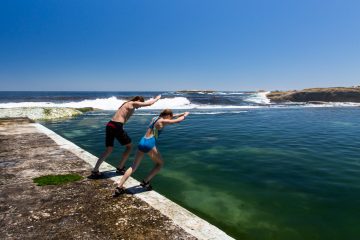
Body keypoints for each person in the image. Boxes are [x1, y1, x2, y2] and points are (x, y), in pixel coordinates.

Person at [113, 109, 190, 196]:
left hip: (142, 141)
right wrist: (185, 115)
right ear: (167, 115)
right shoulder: (163, 121)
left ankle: (119, 187)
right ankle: (145, 181)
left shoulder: (155, 118)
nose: (171, 117)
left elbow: (172, 117)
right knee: (160, 164)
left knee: (133, 166)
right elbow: (177, 121)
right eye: (170, 116)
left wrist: (180, 113)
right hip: (149, 144)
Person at [89, 95, 161, 178]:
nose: (140, 106)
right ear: (137, 100)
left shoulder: (126, 104)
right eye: (140, 103)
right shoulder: (132, 103)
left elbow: (122, 116)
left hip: (110, 125)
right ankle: (120, 167)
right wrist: (157, 98)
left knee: (109, 149)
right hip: (116, 126)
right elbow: (149, 103)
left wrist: (122, 126)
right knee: (129, 147)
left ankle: (95, 170)